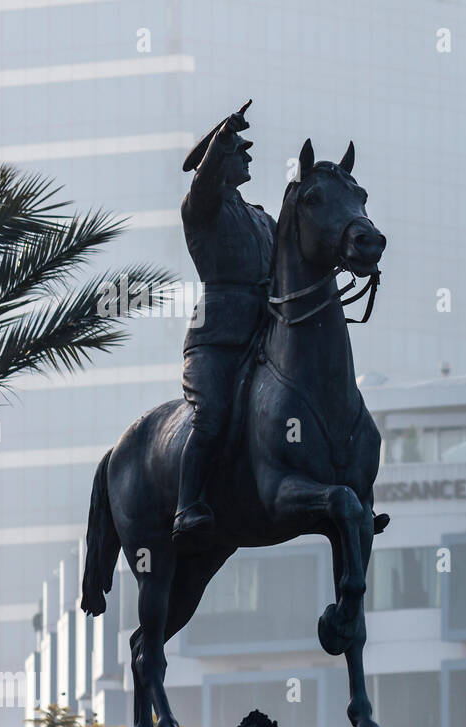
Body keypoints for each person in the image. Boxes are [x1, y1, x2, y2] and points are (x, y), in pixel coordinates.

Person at [173, 100, 275, 551]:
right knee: (211, 417)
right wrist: (220, 138)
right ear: (220, 160)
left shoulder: (261, 217)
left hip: (265, 334)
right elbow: (204, 180)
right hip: (216, 340)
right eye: (239, 150)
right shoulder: (202, 209)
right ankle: (186, 503)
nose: (248, 156)